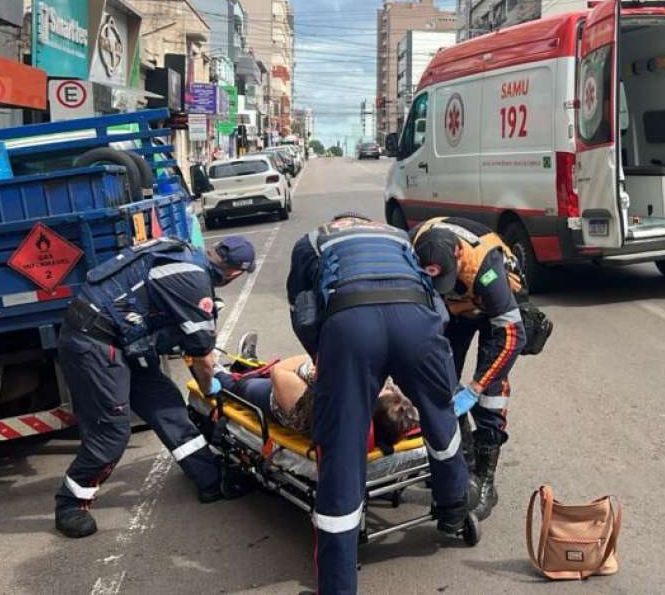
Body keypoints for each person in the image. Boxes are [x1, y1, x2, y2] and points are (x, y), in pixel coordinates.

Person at [286, 214, 471, 595]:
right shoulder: (398, 237)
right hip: (416, 321)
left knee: (342, 447)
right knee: (441, 415)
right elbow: (436, 306)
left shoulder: (312, 241)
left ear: (338, 223)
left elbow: (302, 311)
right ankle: (454, 506)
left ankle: (338, 585)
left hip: (351, 323)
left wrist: (327, 361)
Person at [53, 236, 256, 539]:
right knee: (112, 432)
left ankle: (209, 479)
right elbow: (201, 355)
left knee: (166, 403)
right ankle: (70, 504)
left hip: (123, 339)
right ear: (236, 273)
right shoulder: (193, 279)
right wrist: (210, 389)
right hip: (94, 342)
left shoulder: (184, 255)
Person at [410, 217, 528, 522]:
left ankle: (485, 479)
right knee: (440, 381)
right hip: (453, 310)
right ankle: (460, 461)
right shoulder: (412, 243)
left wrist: (475, 388)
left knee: (491, 393)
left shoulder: (486, 266)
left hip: (491, 310)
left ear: (458, 254)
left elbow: (513, 336)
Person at [214, 352, 420, 449]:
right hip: (305, 389)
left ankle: (219, 374)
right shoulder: (395, 415)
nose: (385, 386)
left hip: (277, 400)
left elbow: (280, 371)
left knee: (244, 386)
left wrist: (319, 362)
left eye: (383, 390)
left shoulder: (313, 407)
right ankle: (247, 362)